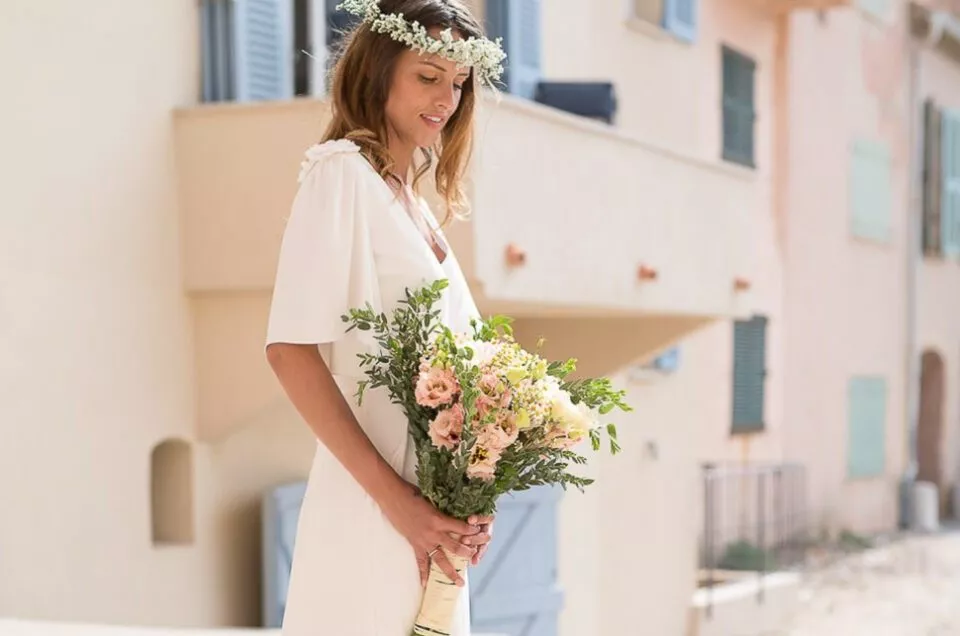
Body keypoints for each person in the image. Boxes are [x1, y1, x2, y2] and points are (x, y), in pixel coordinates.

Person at [263, 0, 507, 634]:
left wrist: (470, 491)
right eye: (427, 76)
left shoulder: (413, 206)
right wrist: (399, 504)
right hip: (378, 507)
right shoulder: (340, 174)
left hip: (428, 517)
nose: (445, 99)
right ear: (378, 70)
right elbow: (290, 351)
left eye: (457, 83)